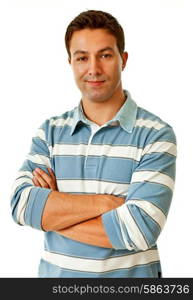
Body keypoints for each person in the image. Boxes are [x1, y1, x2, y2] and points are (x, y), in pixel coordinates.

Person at [10, 10, 177, 278]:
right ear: (70, 62)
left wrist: (53, 212)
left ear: (123, 60)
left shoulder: (156, 135)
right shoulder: (49, 132)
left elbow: (140, 229)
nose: (93, 69)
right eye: (82, 57)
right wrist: (105, 204)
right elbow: (21, 205)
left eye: (105, 55)